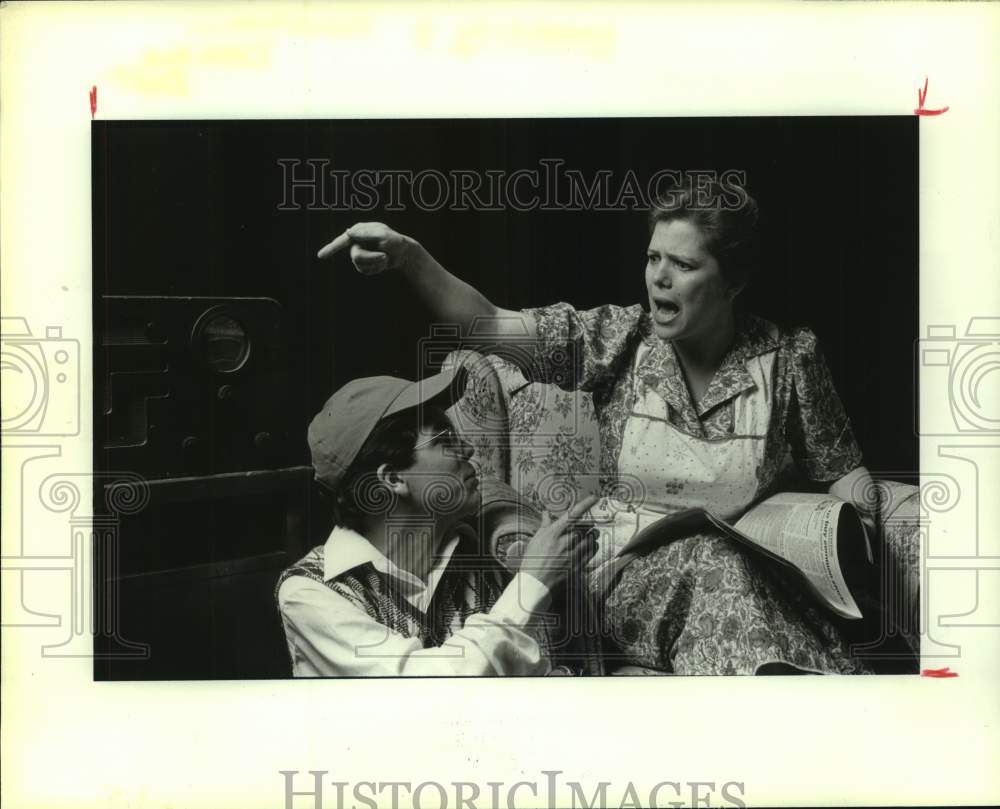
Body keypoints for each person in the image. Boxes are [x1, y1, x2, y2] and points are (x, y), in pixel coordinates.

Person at [317, 182, 912, 675]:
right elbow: (490, 323)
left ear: (731, 283)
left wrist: (860, 527)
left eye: (683, 264)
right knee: (711, 559)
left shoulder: (789, 359)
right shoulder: (618, 340)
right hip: (625, 575)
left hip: (757, 572)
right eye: (654, 257)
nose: (660, 278)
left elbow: (843, 470)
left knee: (731, 569)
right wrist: (410, 258)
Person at [276, 368, 599, 676]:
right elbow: (424, 690)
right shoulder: (310, 593)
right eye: (445, 440)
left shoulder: (479, 555)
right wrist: (532, 583)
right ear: (393, 478)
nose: (469, 449)